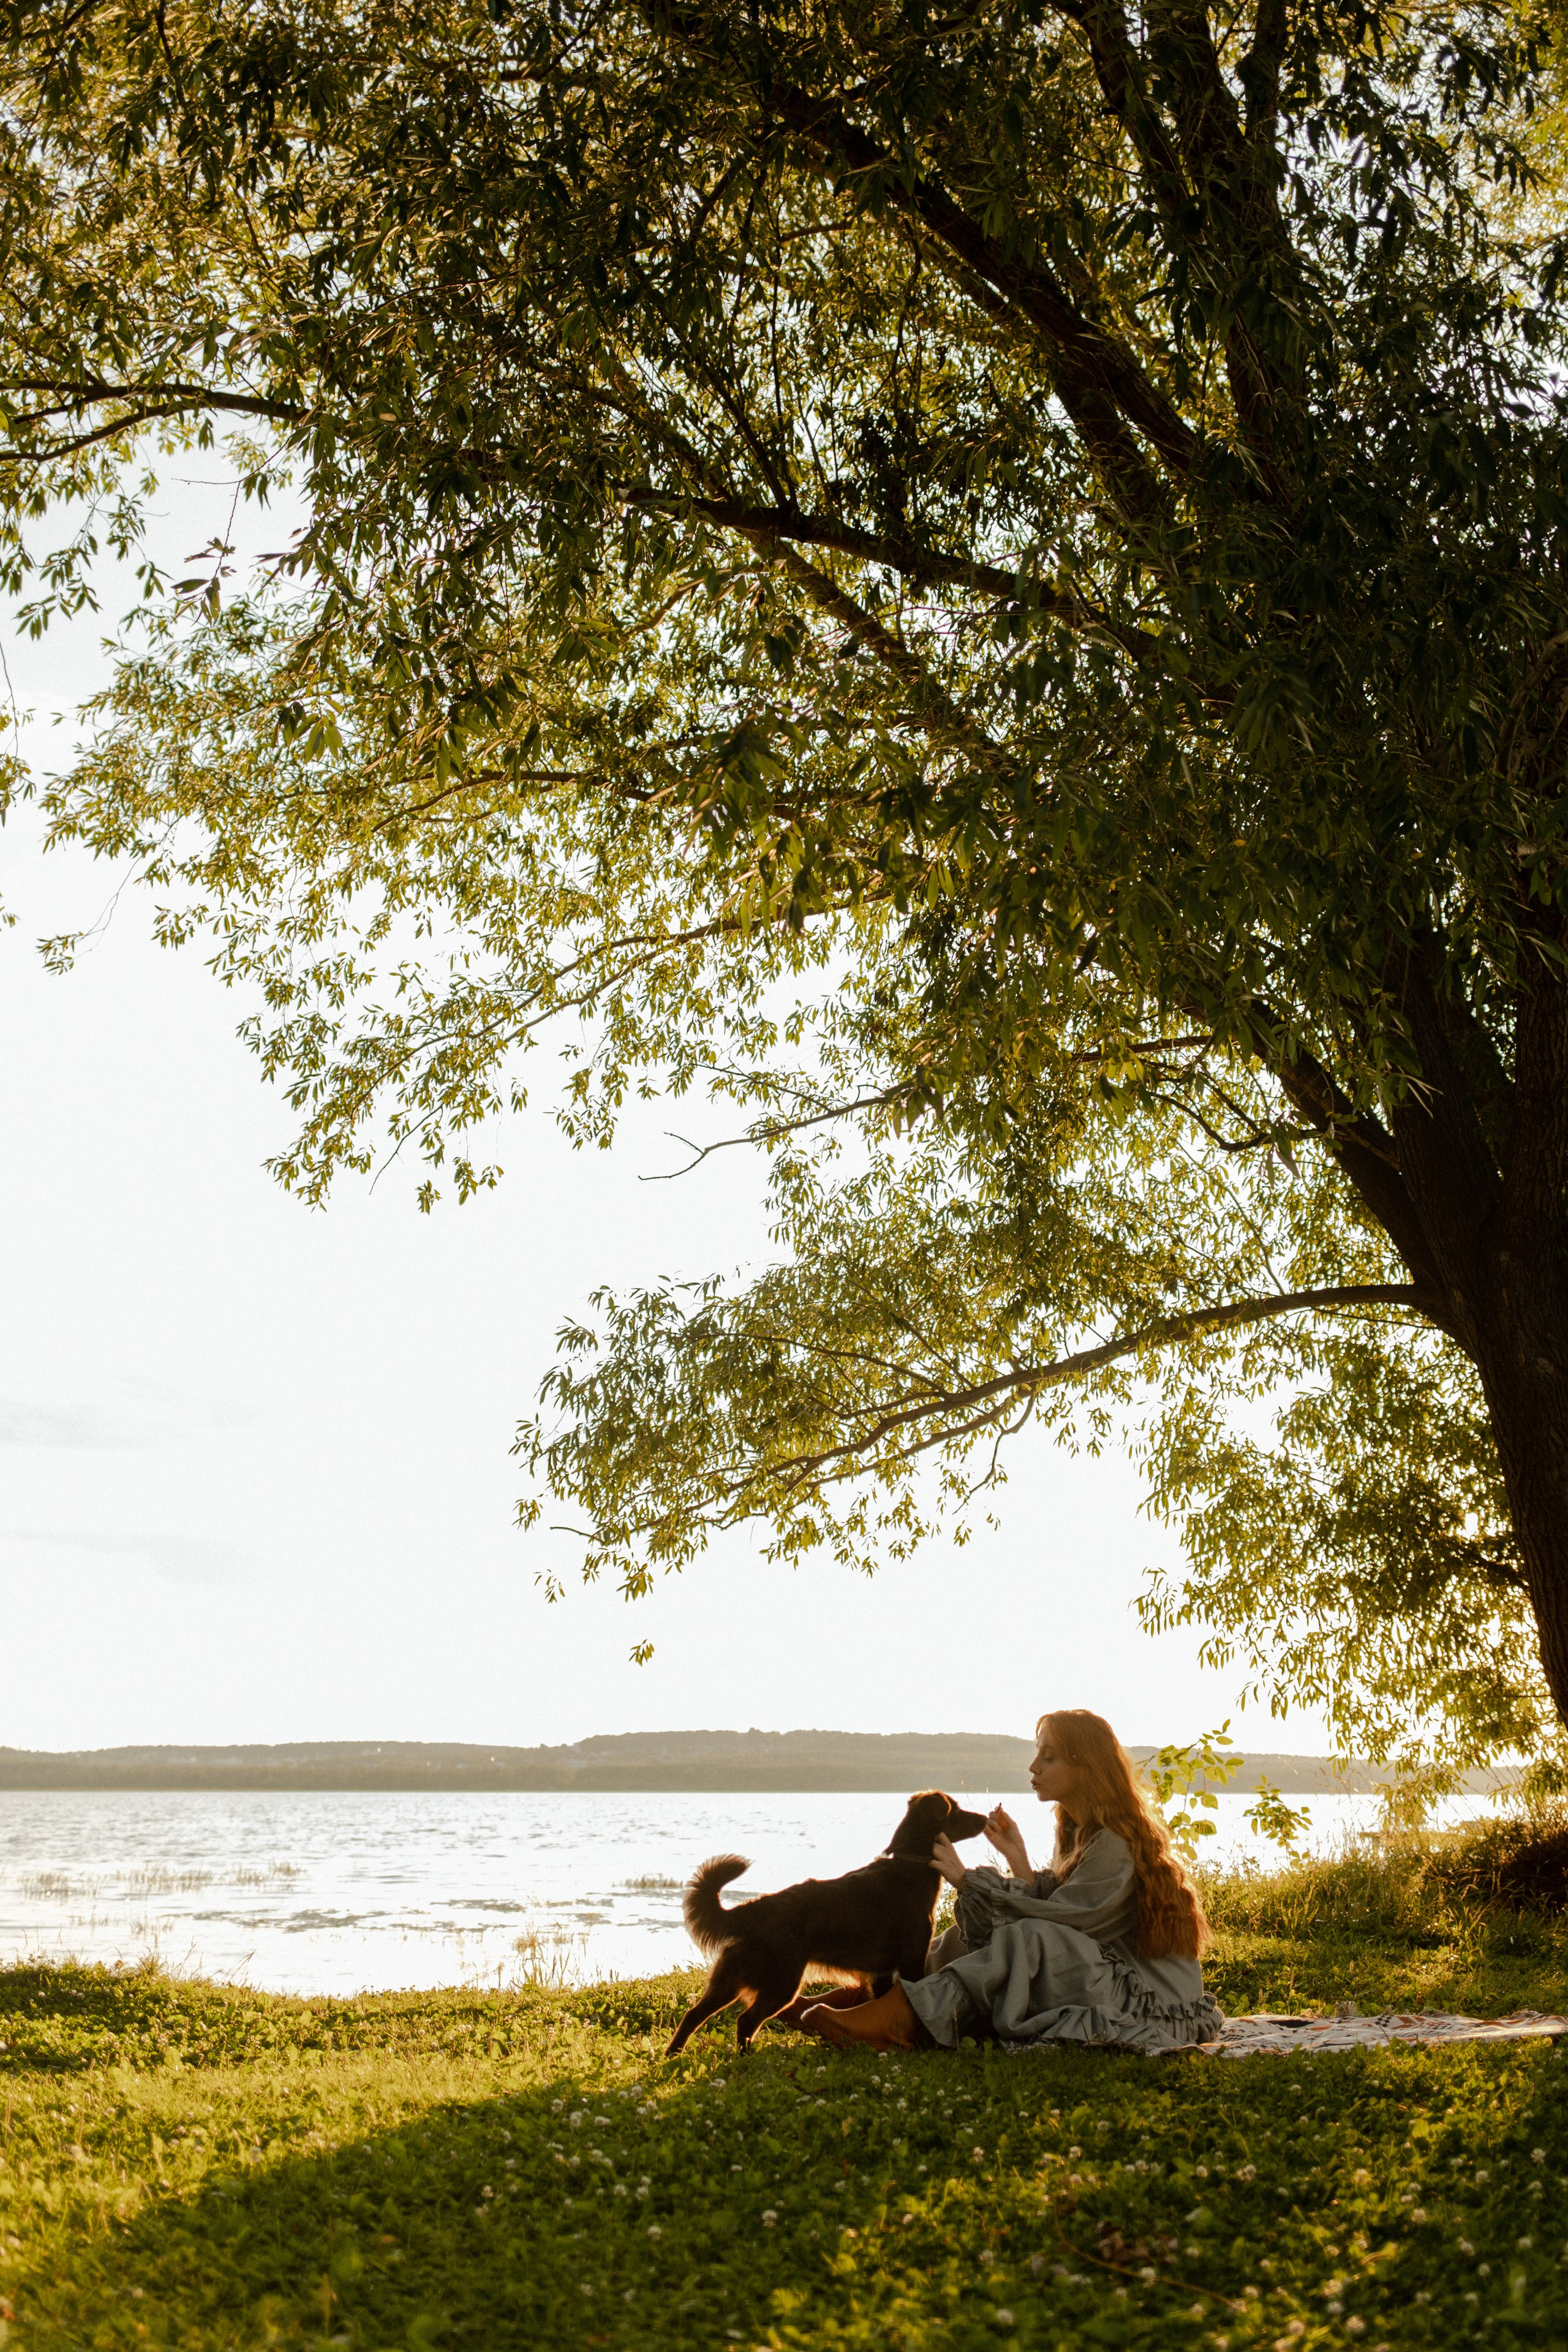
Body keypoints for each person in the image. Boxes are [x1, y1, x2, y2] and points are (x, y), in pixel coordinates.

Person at [802, 1708, 1223, 2053]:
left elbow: (1071, 1922)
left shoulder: (1115, 1842)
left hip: (1148, 2000)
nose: (1033, 1766)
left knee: (1027, 1940)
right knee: (959, 1940)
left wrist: (969, 1882)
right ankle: (869, 2003)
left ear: (1086, 1766)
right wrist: (1017, 1857)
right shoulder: (1082, 1830)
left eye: (1049, 1757)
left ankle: (896, 2022)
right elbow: (1065, 1905)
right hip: (1105, 1970)